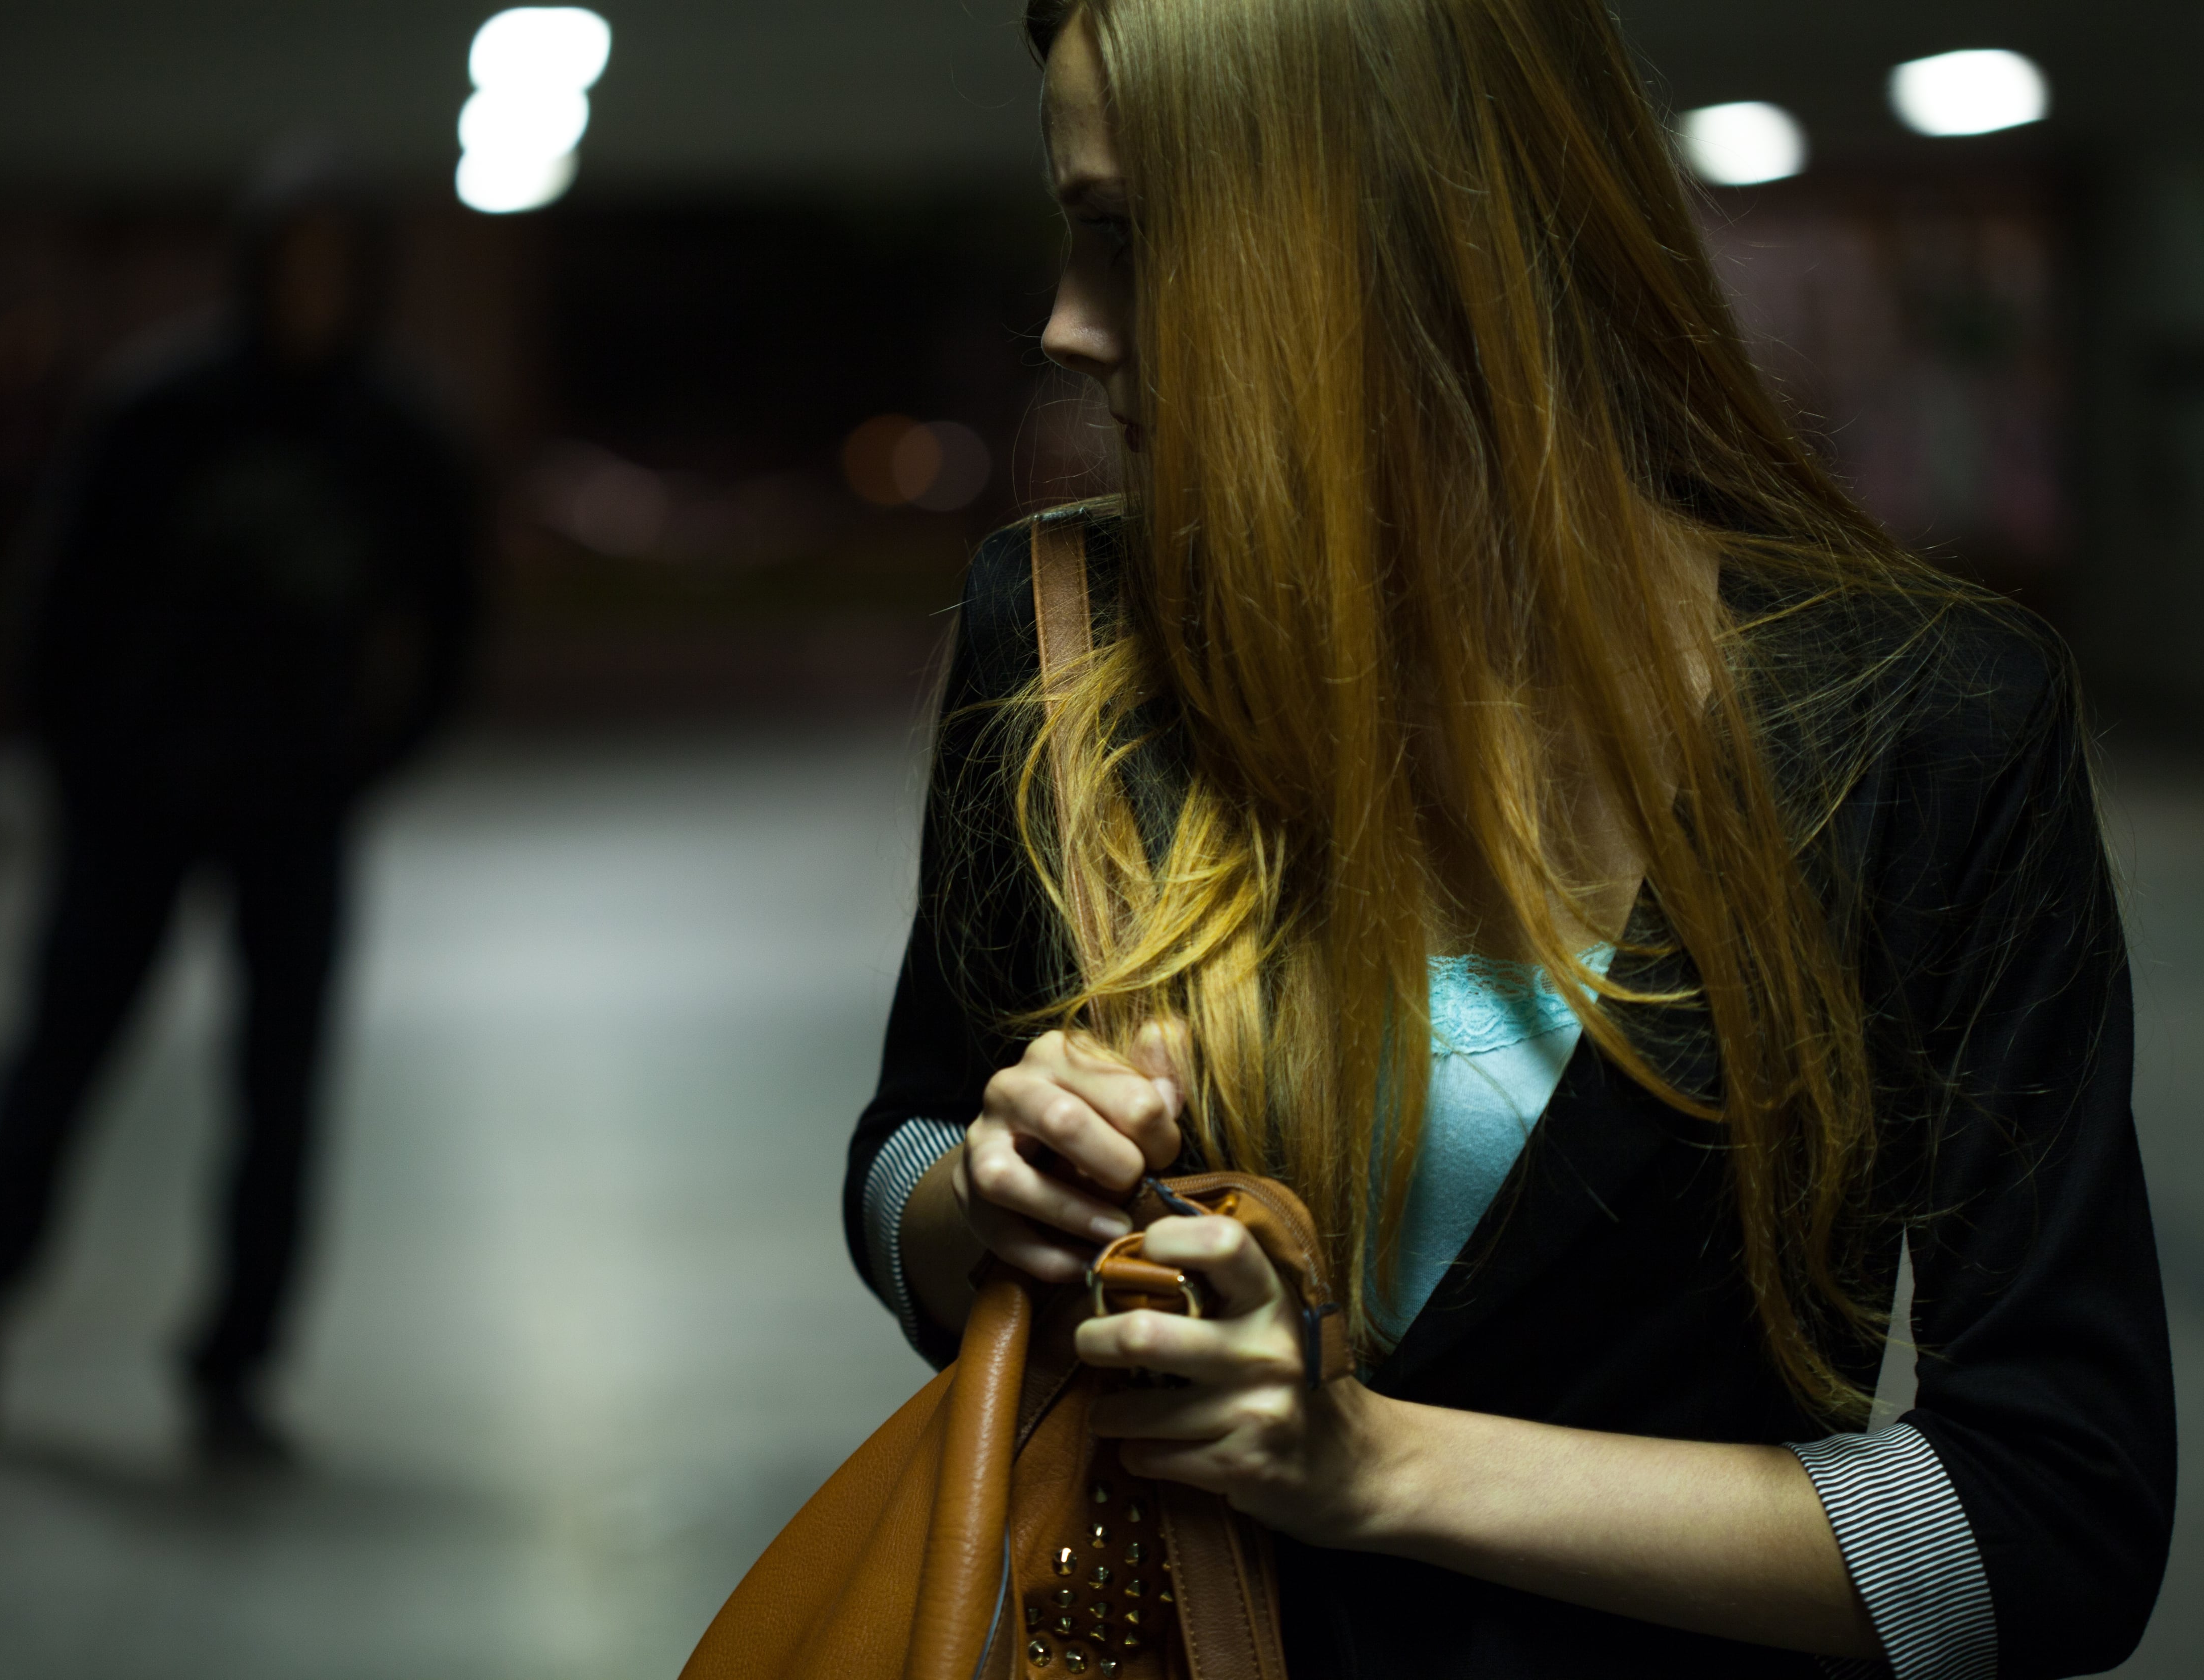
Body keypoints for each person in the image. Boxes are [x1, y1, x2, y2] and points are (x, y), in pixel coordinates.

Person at [845, 3, 2174, 1675]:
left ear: (1398, 244)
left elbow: (2053, 1520)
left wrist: (1376, 1467)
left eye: (1133, 241)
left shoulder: (1926, 725)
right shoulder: (1061, 637)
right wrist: (989, 1191)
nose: (1067, 326)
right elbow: (899, 1150)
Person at [0, 159, 476, 1465]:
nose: (311, 296)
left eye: (337, 271)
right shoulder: (158, 411)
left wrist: (368, 760)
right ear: (252, 271)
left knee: (281, 1094)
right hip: (134, 802)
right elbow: (52, 610)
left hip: (297, 805)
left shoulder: (393, 430)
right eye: (292, 266)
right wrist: (90, 770)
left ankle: (236, 1362)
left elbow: (451, 621)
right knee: (63, 1053)